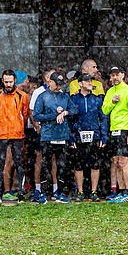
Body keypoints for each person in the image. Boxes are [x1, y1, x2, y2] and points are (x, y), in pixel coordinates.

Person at [0, 69, 31, 202]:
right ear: (2, 81)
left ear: (15, 81)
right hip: (1, 133)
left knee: (19, 163)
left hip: (17, 133)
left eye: (10, 81)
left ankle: (20, 192)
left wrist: (17, 124)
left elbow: (25, 114)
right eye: (6, 82)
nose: (8, 84)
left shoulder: (22, 96)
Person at [33, 71, 72, 203]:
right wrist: (53, 116)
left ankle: (60, 192)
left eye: (61, 84)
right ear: (50, 82)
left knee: (61, 165)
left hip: (62, 135)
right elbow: (37, 116)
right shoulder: (42, 97)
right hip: (48, 136)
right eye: (57, 84)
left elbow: (75, 110)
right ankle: (43, 193)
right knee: (46, 165)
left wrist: (65, 112)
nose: (59, 87)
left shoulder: (65, 97)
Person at [68, 73, 108, 201]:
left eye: (91, 81)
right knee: (78, 165)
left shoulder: (97, 99)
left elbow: (103, 119)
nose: (90, 83)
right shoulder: (73, 100)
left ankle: (94, 191)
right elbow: (69, 121)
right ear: (80, 84)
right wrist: (71, 138)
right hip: (78, 136)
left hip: (94, 136)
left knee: (95, 165)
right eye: (87, 81)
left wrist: (103, 137)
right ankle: (80, 192)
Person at [102, 66, 128, 202]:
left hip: (124, 129)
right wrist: (112, 102)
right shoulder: (110, 91)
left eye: (117, 75)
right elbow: (105, 110)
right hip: (113, 130)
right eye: (112, 75)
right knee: (116, 161)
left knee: (124, 161)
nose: (114, 78)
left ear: (123, 75)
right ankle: (121, 192)